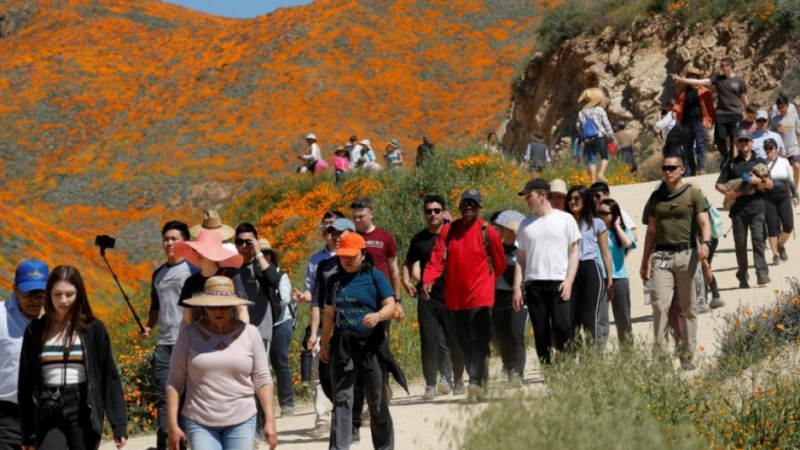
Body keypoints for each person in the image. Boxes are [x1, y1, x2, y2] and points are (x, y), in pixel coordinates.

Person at [18, 265, 127, 450]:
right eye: (57, 294)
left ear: (79, 294)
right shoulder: (34, 331)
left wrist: (119, 425)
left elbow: (109, 377)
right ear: (48, 294)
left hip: (83, 407)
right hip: (48, 408)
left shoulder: (93, 329)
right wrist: (28, 433)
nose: (63, 300)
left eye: (69, 294)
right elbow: (25, 384)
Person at [166, 277, 277, 450]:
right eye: (212, 306)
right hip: (199, 420)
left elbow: (262, 380)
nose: (219, 310)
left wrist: (270, 421)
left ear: (233, 305)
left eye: (224, 305)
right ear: (203, 306)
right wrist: (172, 425)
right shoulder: (188, 335)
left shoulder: (251, 333)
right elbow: (175, 381)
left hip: (242, 418)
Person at [422, 189, 505, 400]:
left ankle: (477, 381)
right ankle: (477, 383)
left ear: (479, 208)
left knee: (479, 339)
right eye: (466, 203)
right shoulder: (448, 231)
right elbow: (436, 259)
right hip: (455, 298)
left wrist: (486, 282)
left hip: (480, 296)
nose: (469, 207)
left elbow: (500, 263)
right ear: (459, 207)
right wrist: (428, 280)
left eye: (474, 204)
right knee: (463, 342)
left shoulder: (488, 231)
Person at [320, 233, 397, 450]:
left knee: (376, 401)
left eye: (352, 255)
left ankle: (384, 447)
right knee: (342, 400)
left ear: (363, 254)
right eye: (344, 255)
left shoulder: (374, 276)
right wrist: (324, 344)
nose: (347, 259)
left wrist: (379, 316)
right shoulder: (334, 281)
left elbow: (390, 305)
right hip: (343, 347)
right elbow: (328, 314)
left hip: (371, 345)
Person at [641, 155, 712, 370]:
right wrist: (645, 261)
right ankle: (662, 357)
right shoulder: (656, 197)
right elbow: (651, 231)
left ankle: (687, 354)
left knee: (690, 307)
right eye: (665, 167)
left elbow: (704, 221)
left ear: (682, 169)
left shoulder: (693, 194)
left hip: (687, 255)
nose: (668, 171)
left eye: (672, 167)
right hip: (662, 256)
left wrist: (706, 243)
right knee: (659, 305)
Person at [140, 221, 198, 450]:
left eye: (174, 238)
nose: (169, 243)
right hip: (164, 344)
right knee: (165, 397)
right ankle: (166, 444)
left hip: (189, 342)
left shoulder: (193, 270)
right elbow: (155, 307)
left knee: (189, 397)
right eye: (166, 239)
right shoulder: (158, 274)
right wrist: (148, 327)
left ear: (184, 241)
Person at [403, 195, 465, 399]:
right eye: (429, 211)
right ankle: (430, 384)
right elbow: (407, 262)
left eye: (437, 211)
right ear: (424, 213)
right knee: (429, 340)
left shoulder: (454, 236)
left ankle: (458, 380)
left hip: (452, 295)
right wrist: (406, 281)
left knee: (454, 340)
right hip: (427, 297)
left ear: (443, 212)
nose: (432, 214)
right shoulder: (419, 239)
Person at [512, 179, 581, 365]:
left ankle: (566, 366)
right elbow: (520, 259)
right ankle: (548, 371)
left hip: (559, 283)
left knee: (562, 326)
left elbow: (574, 253)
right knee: (540, 332)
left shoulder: (566, 219)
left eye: (530, 196)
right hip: (534, 284)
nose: (527, 200)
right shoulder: (525, 225)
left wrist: (569, 281)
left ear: (543, 195)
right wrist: (517, 288)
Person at [233, 223, 294, 420]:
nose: (244, 246)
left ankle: (260, 424)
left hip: (261, 328)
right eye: (240, 242)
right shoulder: (231, 268)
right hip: (235, 329)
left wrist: (258, 253)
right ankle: (245, 419)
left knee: (258, 374)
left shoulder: (261, 267)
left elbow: (274, 279)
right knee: (240, 374)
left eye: (248, 241)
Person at [292, 211, 342, 438]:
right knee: (321, 372)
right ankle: (322, 419)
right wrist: (304, 297)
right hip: (323, 322)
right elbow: (311, 292)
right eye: (325, 225)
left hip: (348, 322)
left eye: (332, 225)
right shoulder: (315, 260)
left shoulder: (352, 253)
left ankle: (354, 411)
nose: (328, 230)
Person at [0, 260, 48, 450]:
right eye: (28, 293)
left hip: (48, 416)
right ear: (15, 289)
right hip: (8, 418)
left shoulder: (57, 320)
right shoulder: (1, 317)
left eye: (40, 294)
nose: (34, 300)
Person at [715, 129, 772, 287]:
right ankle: (742, 275)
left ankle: (762, 273)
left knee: (758, 240)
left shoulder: (759, 161)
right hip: (738, 211)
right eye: (741, 140)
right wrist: (729, 193)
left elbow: (770, 183)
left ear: (752, 142)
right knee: (740, 245)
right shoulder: (731, 163)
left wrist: (757, 182)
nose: (744, 143)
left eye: (747, 140)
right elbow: (718, 184)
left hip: (757, 208)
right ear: (736, 143)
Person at [671, 57, 748, 162]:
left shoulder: (740, 81)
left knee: (735, 139)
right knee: (719, 138)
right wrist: (680, 79)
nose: (721, 67)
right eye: (721, 65)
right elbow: (700, 82)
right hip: (722, 114)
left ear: (730, 66)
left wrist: (748, 112)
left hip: (736, 113)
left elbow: (744, 97)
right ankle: (726, 156)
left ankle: (733, 162)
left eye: (723, 65)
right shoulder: (717, 79)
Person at [565, 185, 614, 351]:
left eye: (576, 198)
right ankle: (572, 357)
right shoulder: (564, 222)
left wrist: (610, 281)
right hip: (570, 270)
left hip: (591, 268)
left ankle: (593, 359)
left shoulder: (597, 223)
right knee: (571, 317)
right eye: (570, 199)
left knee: (590, 316)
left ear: (585, 200)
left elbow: (605, 253)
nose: (572, 202)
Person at [175, 230, 248, 328]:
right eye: (196, 250)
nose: (198, 255)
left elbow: (242, 311)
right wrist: (182, 341)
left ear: (215, 253)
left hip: (228, 337)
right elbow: (186, 319)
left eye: (204, 250)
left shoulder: (231, 276)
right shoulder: (190, 282)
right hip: (199, 339)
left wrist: (242, 337)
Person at [350, 198, 404, 320]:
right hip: (356, 293)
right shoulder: (350, 237)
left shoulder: (386, 237)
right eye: (354, 217)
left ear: (371, 214)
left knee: (382, 335)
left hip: (381, 294)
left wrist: (397, 301)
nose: (357, 220)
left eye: (361, 216)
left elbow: (393, 270)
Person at [491, 210, 528, 387]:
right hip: (497, 296)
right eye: (500, 228)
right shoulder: (495, 249)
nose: (501, 230)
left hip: (519, 297)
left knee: (516, 335)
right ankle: (509, 367)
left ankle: (518, 374)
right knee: (502, 338)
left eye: (503, 228)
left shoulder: (523, 249)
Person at [597, 199, 636, 344]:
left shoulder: (620, 231)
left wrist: (617, 227)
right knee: (601, 318)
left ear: (614, 215)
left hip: (619, 277)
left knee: (623, 318)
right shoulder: (594, 230)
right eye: (598, 213)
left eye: (604, 213)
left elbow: (628, 243)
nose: (601, 216)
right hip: (600, 278)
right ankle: (598, 355)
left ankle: (627, 353)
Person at [672, 65, 715, 175]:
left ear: (697, 77)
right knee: (687, 147)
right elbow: (678, 104)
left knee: (701, 145)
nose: (692, 78)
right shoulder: (683, 92)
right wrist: (674, 111)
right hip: (687, 122)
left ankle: (702, 169)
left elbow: (710, 108)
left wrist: (710, 121)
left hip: (700, 121)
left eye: (694, 76)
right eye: (690, 76)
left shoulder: (704, 91)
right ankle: (693, 168)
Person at [762, 138, 795, 265]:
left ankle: (781, 245)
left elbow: (790, 180)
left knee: (788, 226)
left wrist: (795, 194)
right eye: (766, 148)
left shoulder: (784, 162)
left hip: (783, 197)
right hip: (768, 198)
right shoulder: (762, 164)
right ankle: (775, 254)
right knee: (772, 227)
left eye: (771, 148)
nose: (769, 150)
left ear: (776, 149)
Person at [576, 88, 615, 183]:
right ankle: (601, 174)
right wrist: (611, 136)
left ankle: (593, 181)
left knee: (591, 160)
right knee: (605, 156)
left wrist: (582, 137)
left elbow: (578, 126)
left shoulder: (581, 113)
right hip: (600, 136)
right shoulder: (599, 110)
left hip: (588, 138)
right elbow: (606, 124)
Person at [771, 95, 800, 190]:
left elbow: (798, 133)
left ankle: (795, 191)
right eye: (779, 108)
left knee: (797, 167)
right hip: (782, 150)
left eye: (783, 107)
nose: (781, 109)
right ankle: (787, 192)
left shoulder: (794, 117)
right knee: (785, 173)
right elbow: (771, 134)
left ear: (787, 105)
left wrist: (798, 146)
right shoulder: (775, 120)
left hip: (793, 148)